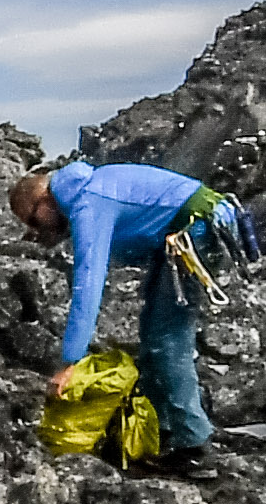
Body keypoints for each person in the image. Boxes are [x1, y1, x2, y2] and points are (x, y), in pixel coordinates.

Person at [13, 158, 239, 460]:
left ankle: (194, 446)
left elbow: (88, 285)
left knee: (167, 339)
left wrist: (70, 362)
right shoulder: (89, 188)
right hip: (186, 231)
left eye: (33, 220)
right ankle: (163, 428)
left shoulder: (88, 205)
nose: (36, 230)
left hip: (194, 233)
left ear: (44, 201)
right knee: (155, 333)